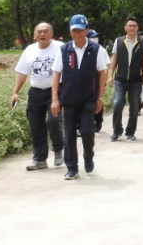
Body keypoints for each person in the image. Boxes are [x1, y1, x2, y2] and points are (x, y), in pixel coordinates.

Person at [51, 14, 108, 180]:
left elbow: (102, 73)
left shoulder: (97, 50)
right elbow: (56, 75)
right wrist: (55, 99)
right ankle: (72, 167)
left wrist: (100, 97)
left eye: (81, 30)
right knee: (68, 133)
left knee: (87, 131)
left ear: (87, 31)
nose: (77, 33)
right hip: (68, 99)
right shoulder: (64, 50)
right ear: (70, 32)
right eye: (74, 30)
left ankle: (88, 157)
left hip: (89, 98)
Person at [11, 22, 64, 171]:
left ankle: (58, 148)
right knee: (36, 126)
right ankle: (40, 159)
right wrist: (15, 92)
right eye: (39, 32)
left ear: (51, 34)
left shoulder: (60, 48)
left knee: (54, 121)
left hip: (55, 90)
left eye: (45, 31)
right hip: (35, 92)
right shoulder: (29, 50)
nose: (42, 34)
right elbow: (22, 73)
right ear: (34, 35)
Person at [107, 17, 143, 141]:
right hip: (120, 78)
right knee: (117, 103)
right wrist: (110, 75)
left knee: (135, 105)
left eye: (134, 26)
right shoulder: (119, 41)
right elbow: (114, 58)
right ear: (125, 28)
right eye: (129, 25)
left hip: (136, 79)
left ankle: (130, 132)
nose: (132, 28)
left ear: (137, 28)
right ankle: (117, 130)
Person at [87, 29, 109, 133]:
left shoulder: (101, 50)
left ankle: (98, 121)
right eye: (92, 37)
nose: (94, 39)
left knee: (97, 101)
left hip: (97, 79)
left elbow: (105, 67)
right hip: (85, 80)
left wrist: (103, 83)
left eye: (95, 37)